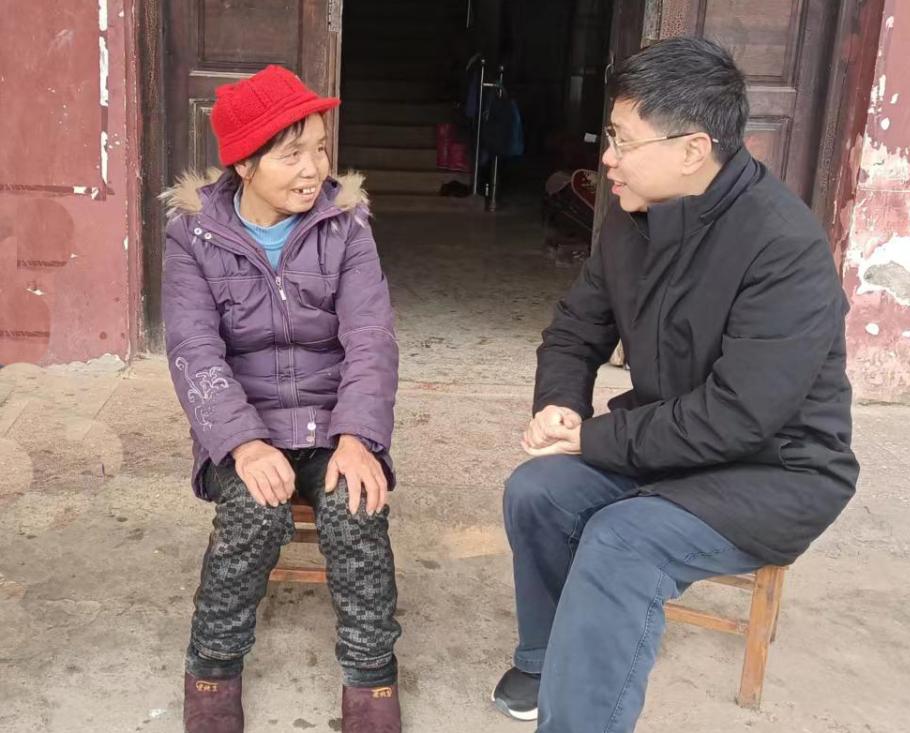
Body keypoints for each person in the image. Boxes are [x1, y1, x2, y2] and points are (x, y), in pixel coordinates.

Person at [492, 37, 860, 733]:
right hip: (668, 445)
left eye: (623, 141)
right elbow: (575, 328)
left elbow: (738, 417)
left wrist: (595, 439)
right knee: (538, 491)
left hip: (772, 472)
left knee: (624, 540)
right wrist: (560, 405)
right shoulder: (634, 219)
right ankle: (546, 661)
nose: (607, 158)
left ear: (693, 150)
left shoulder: (784, 248)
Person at [161, 65, 402, 733]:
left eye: (320, 148)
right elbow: (193, 350)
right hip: (244, 424)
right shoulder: (194, 236)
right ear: (243, 162)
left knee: (356, 507)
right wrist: (242, 442)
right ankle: (213, 665)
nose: (314, 168)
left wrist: (358, 437)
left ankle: (371, 673)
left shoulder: (346, 226)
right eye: (292, 153)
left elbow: (371, 339)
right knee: (254, 515)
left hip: (333, 422)